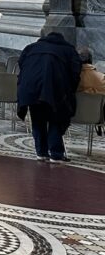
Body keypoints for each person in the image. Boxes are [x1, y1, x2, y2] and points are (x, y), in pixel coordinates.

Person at [17, 27, 83, 162]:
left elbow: (21, 64)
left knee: (37, 119)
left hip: (31, 88)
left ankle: (41, 152)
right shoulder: (68, 50)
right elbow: (76, 72)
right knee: (56, 119)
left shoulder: (31, 48)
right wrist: (70, 89)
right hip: (55, 88)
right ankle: (56, 153)